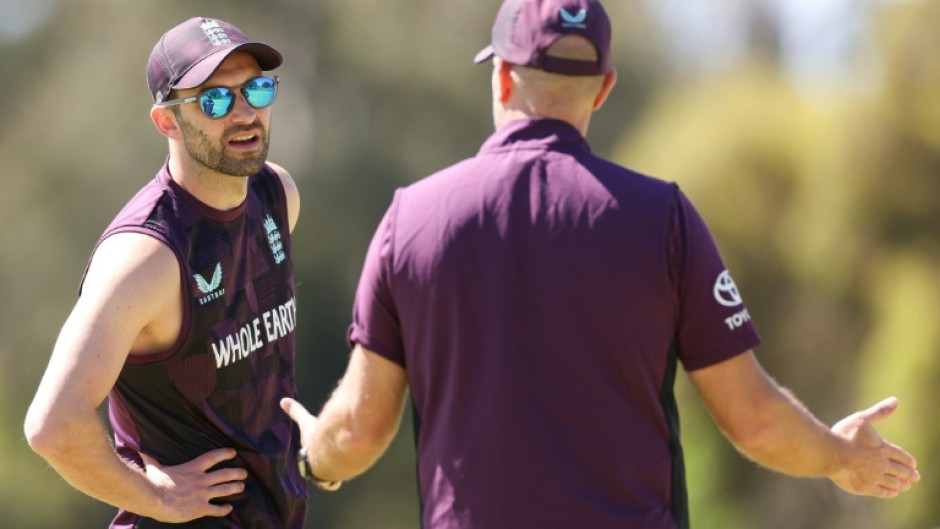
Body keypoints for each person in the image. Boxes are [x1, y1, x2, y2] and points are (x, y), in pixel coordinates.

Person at [280, 0, 920, 527]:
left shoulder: (410, 220)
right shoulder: (664, 219)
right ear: (604, 88)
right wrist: (838, 456)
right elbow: (752, 418)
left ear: (502, 75)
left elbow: (358, 435)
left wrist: (309, 455)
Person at [24, 17, 306, 529]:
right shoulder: (145, 256)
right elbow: (53, 425)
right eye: (215, 100)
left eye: (256, 90)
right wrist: (158, 499)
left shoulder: (276, 196)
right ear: (167, 121)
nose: (244, 114)